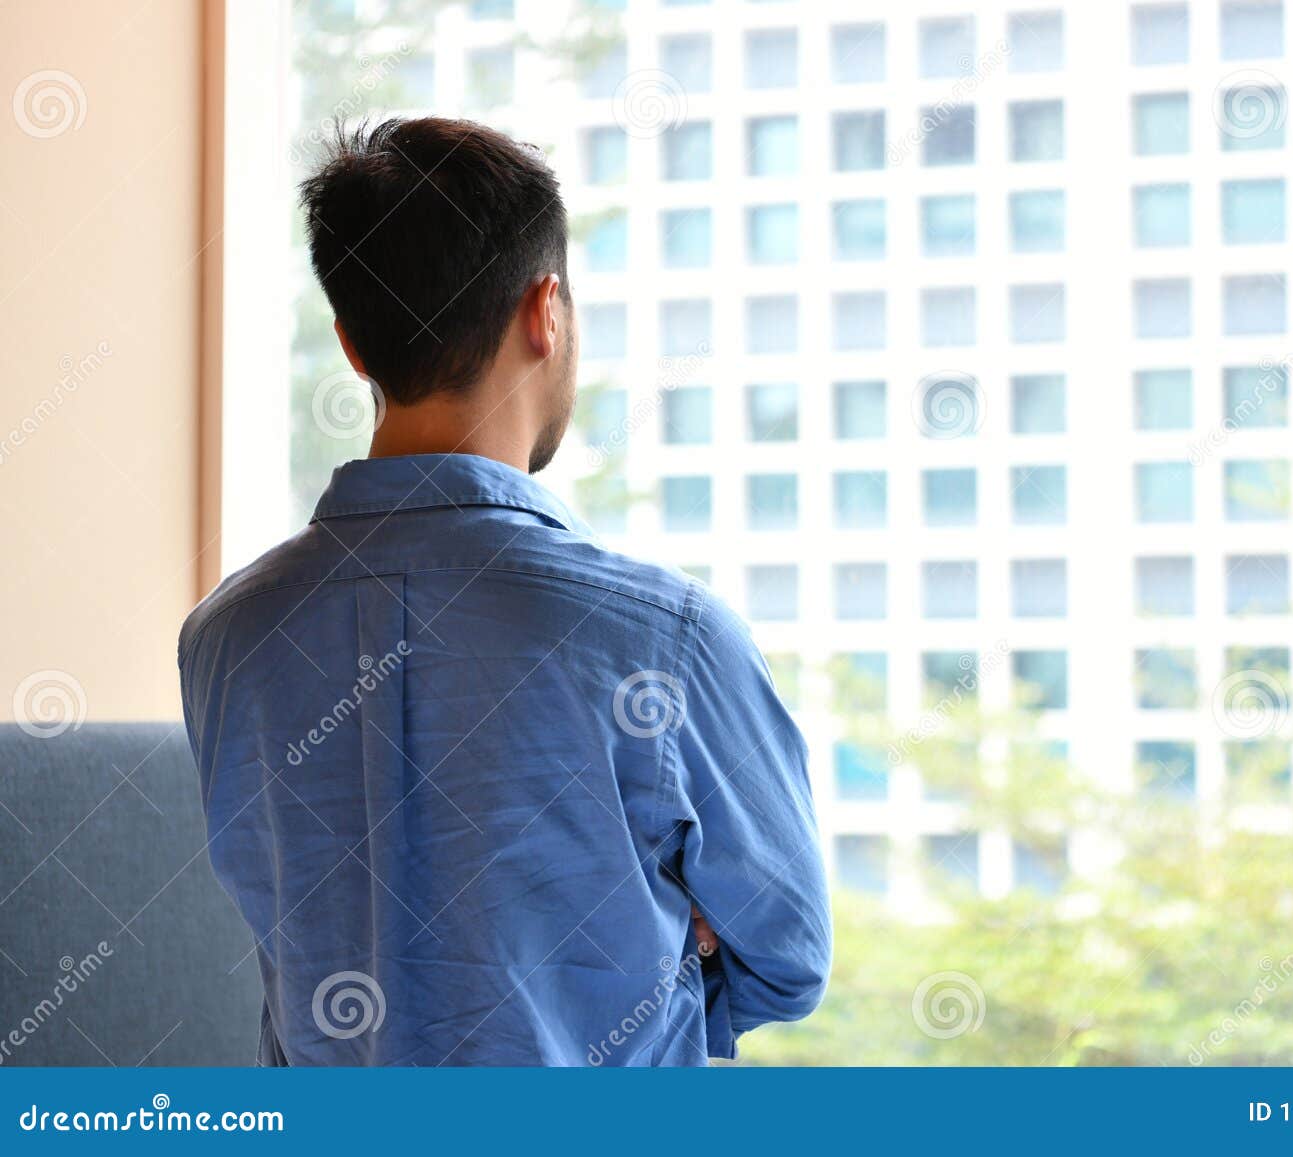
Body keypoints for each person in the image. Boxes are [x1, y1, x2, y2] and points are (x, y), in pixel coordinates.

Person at [178, 117, 830, 1066]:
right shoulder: (666, 637)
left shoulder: (224, 637)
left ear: (353, 344)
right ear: (546, 312)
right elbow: (789, 957)